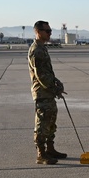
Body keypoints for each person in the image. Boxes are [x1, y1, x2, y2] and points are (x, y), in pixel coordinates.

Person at [28, 20, 67, 165]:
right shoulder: (36, 50)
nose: (50, 33)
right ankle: (41, 153)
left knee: (50, 122)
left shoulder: (42, 48)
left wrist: (57, 81)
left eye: (50, 31)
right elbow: (41, 76)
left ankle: (50, 149)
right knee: (42, 124)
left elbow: (47, 72)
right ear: (38, 32)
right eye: (47, 31)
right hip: (42, 93)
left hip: (48, 93)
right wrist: (55, 90)